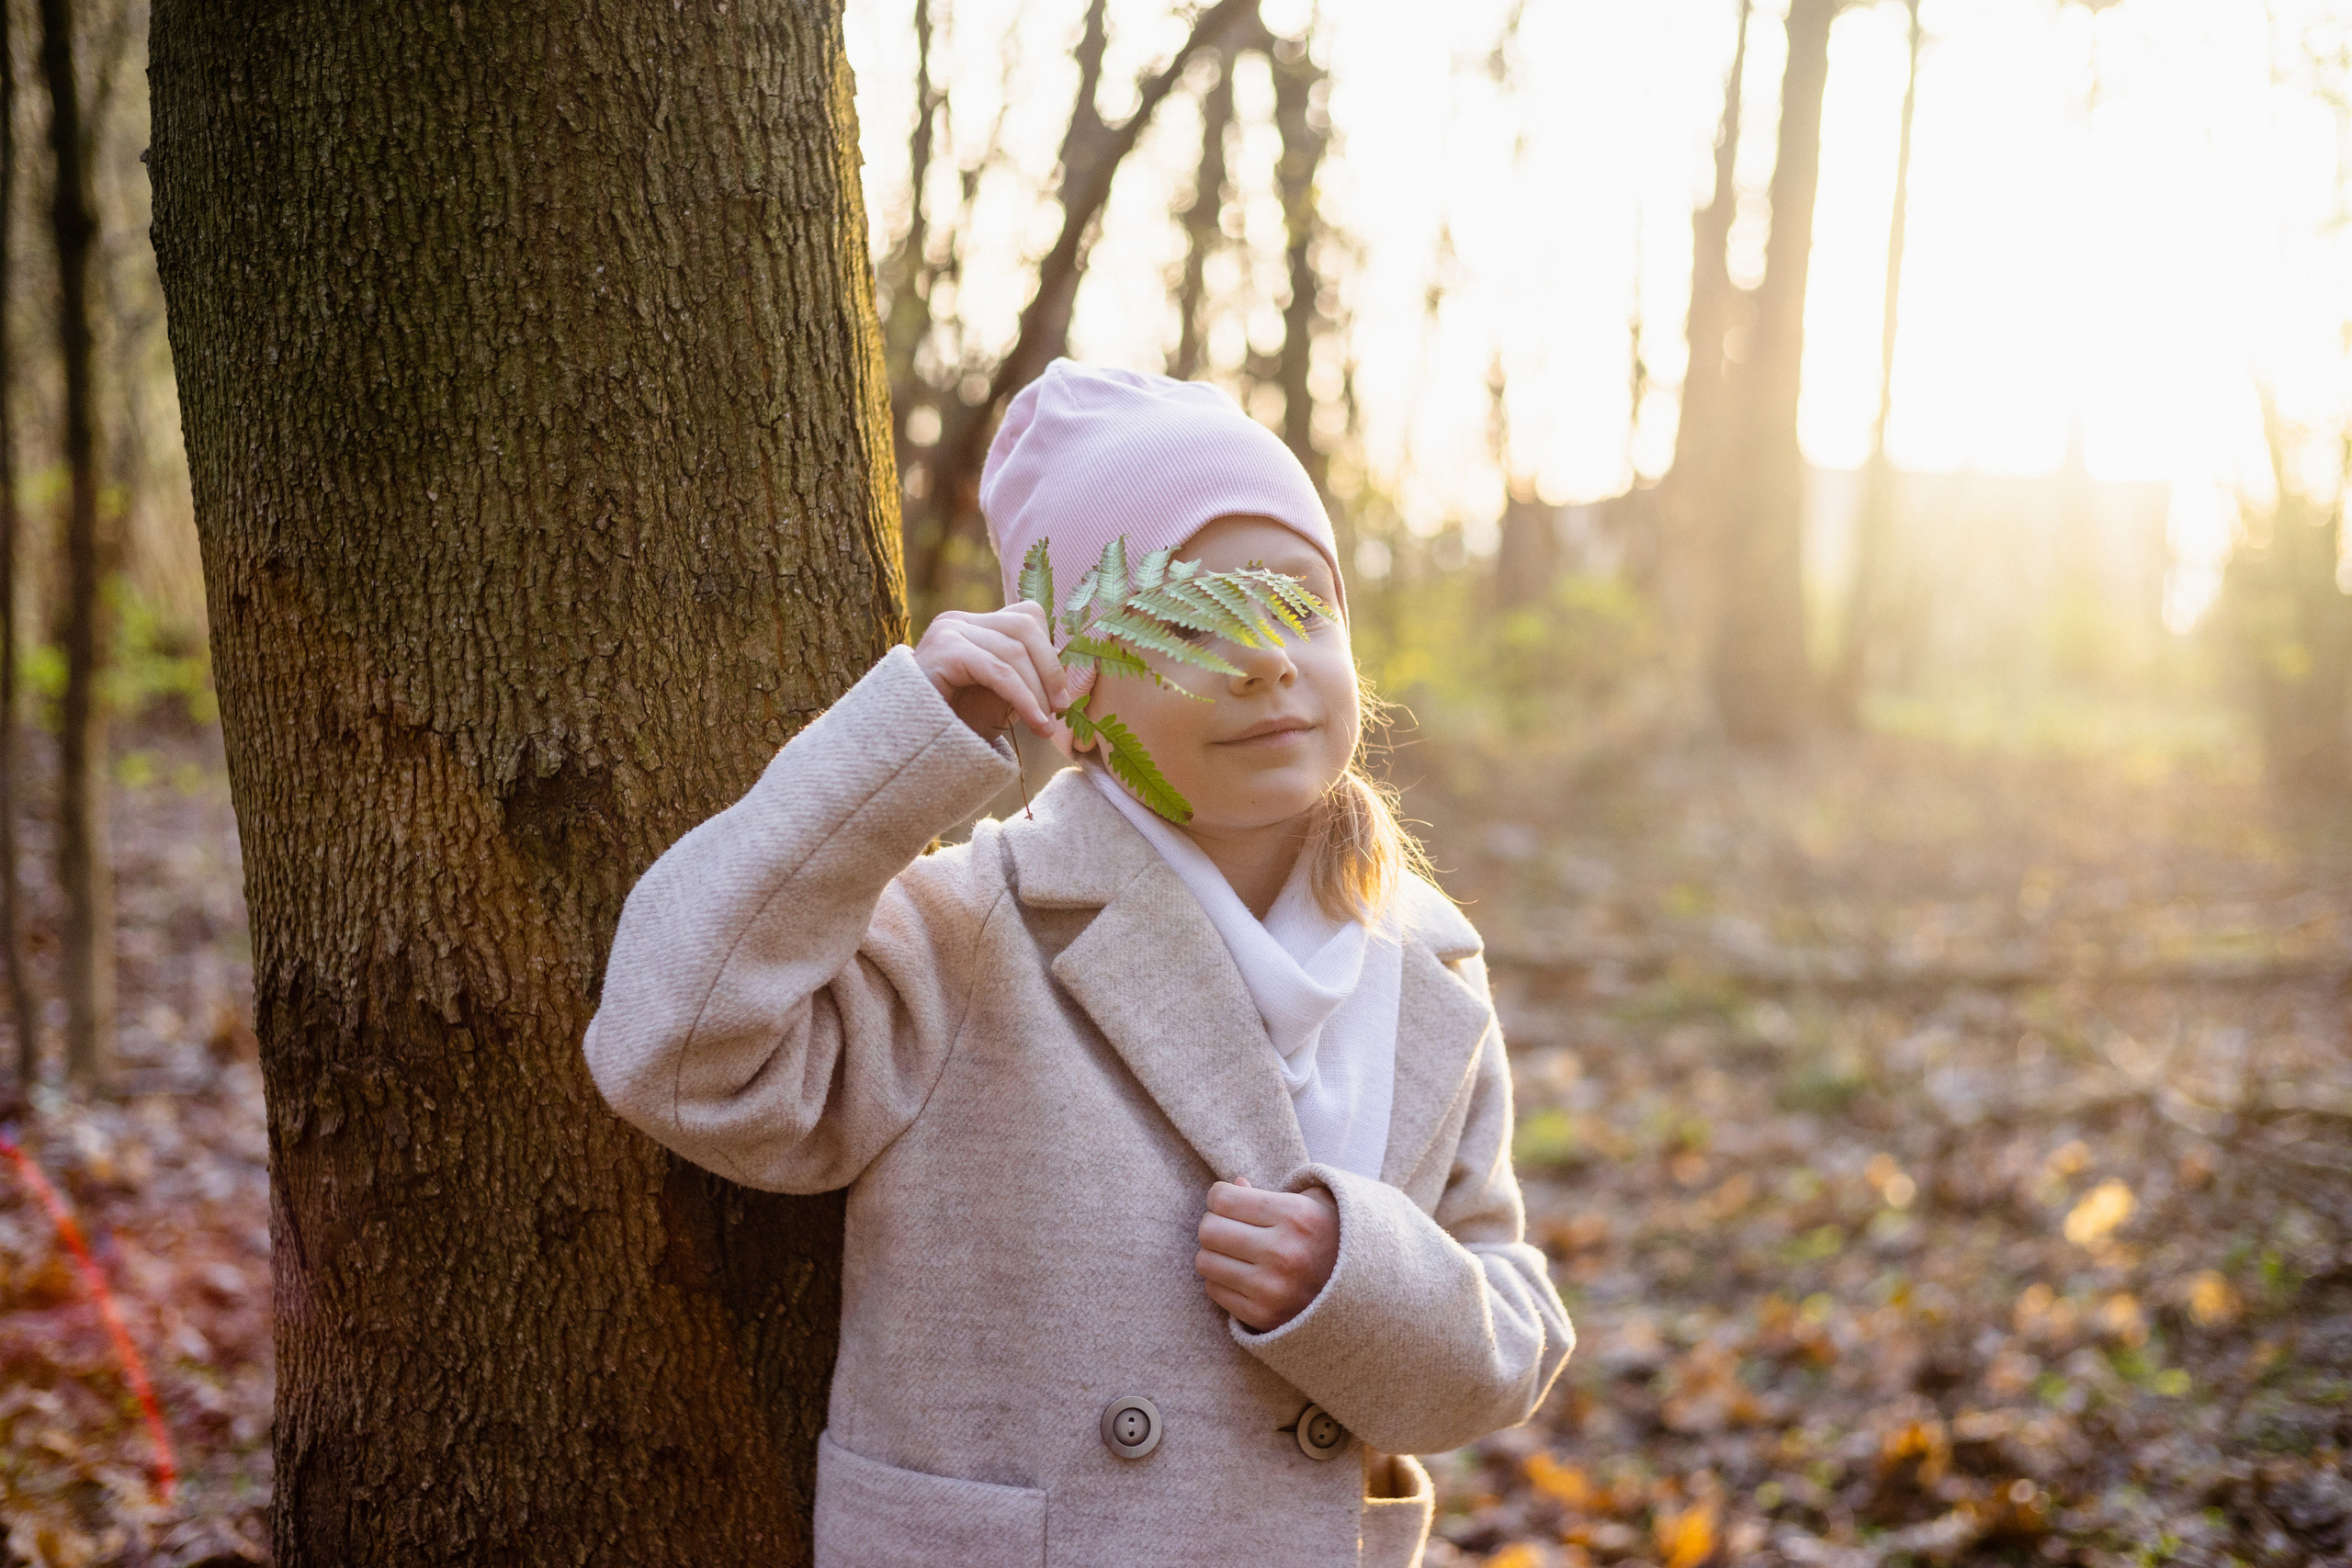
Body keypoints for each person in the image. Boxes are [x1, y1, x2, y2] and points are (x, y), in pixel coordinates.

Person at [584, 360, 1572, 1567]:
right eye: (1191, 623)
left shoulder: (1426, 968)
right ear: (1068, 680)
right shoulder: (977, 923)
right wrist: (904, 740)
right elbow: (674, 1052)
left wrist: (1354, 1281)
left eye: (1302, 605)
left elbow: (1513, 1332)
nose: (1266, 659)